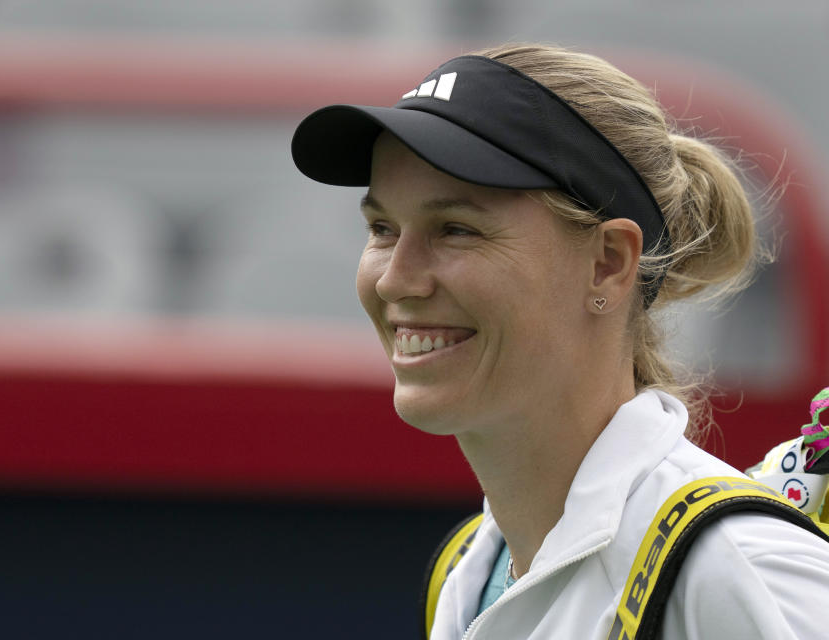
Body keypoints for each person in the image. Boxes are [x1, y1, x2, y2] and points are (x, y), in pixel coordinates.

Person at [290, 43, 829, 639]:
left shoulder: (744, 569)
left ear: (607, 264)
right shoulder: (465, 570)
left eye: (456, 229)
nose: (395, 278)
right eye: (382, 228)